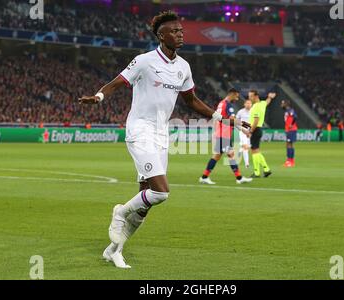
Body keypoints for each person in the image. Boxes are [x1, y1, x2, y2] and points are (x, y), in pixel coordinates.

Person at [78, 11, 250, 268]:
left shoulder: (183, 67)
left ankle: (115, 249)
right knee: (160, 192)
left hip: (161, 134)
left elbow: (191, 100)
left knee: (145, 204)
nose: (180, 34)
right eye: (174, 31)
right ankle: (120, 212)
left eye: (181, 31)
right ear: (161, 35)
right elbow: (117, 82)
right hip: (140, 129)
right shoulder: (144, 61)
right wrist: (99, 97)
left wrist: (224, 119)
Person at [199, 89, 253, 185]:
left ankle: (204, 177)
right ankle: (239, 178)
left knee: (217, 156)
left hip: (221, 133)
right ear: (232, 94)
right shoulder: (228, 105)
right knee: (231, 155)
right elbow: (232, 120)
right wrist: (244, 128)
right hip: (224, 134)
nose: (237, 98)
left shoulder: (221, 104)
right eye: (236, 96)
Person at [247, 90, 275, 178]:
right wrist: (270, 97)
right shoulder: (262, 104)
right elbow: (267, 102)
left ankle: (258, 172)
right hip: (258, 129)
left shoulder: (256, 107)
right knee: (256, 151)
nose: (249, 98)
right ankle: (265, 170)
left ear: (256, 96)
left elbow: (256, 120)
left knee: (254, 151)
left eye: (251, 96)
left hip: (255, 129)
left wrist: (250, 131)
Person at [236, 99, 252, 168]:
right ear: (244, 104)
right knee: (245, 147)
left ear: (251, 104)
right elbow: (236, 121)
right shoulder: (240, 112)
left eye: (249, 103)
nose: (248, 104)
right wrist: (240, 128)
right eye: (247, 103)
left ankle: (239, 151)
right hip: (242, 131)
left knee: (247, 147)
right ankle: (247, 164)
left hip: (250, 131)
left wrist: (251, 130)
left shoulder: (253, 111)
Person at [281, 100, 298, 167]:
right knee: (289, 144)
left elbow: (295, 117)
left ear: (286, 104)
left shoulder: (289, 110)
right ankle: (290, 160)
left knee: (289, 145)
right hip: (289, 130)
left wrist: (291, 124)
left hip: (291, 130)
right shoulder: (287, 111)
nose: (281, 105)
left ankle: (289, 161)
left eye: (282, 103)